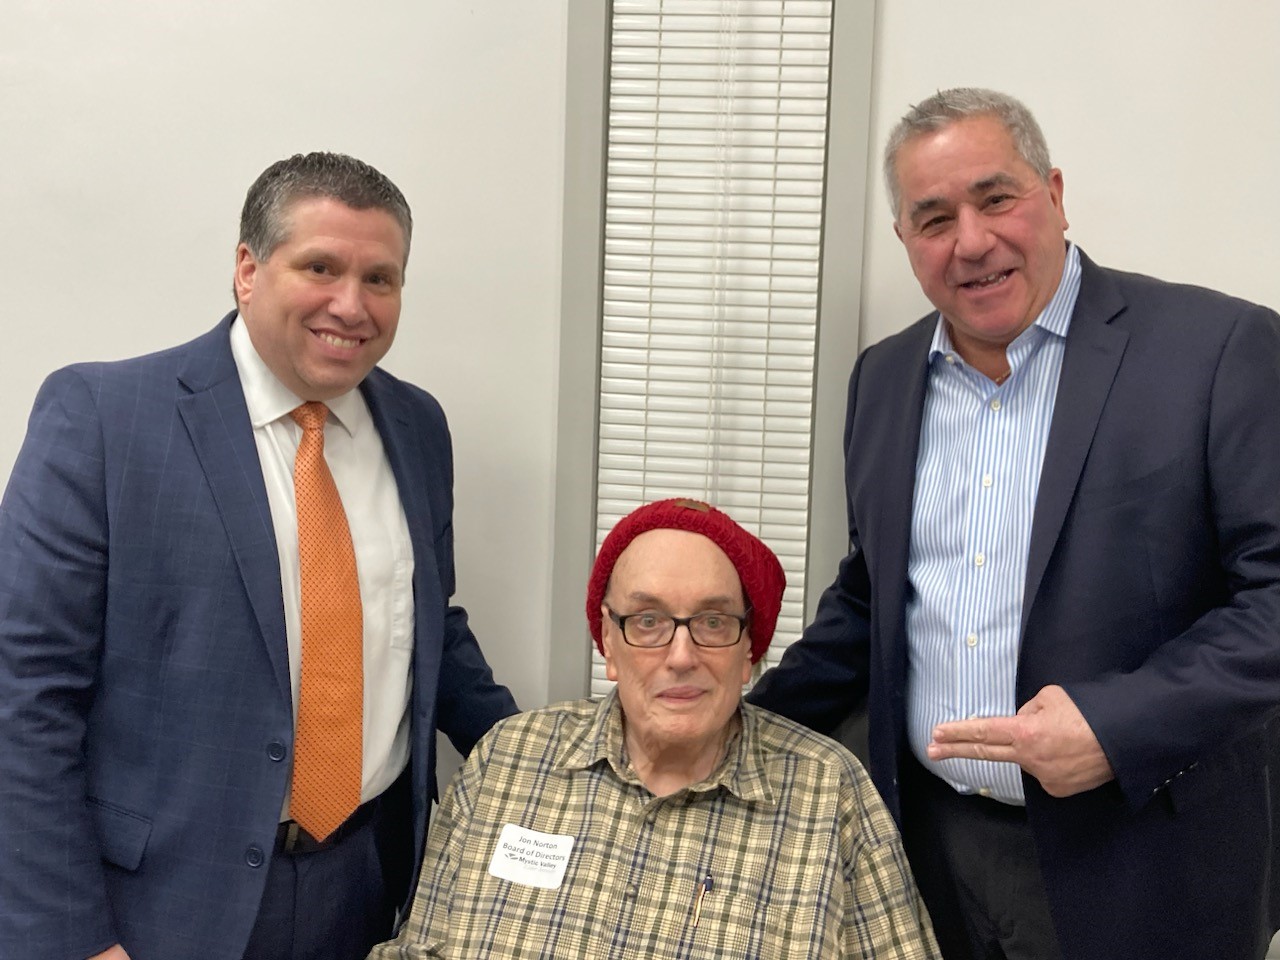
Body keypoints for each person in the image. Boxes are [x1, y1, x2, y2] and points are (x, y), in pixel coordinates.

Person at [747, 88, 1280, 960]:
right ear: (905, 242)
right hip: (927, 854)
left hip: (1144, 859)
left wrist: (1116, 725)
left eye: (996, 198)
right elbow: (872, 603)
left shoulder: (1217, 349)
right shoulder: (881, 381)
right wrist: (731, 726)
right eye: (933, 218)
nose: (971, 241)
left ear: (1056, 194)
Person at [0, 152, 518, 960]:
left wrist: (560, 755)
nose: (352, 304)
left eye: (381, 279)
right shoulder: (104, 420)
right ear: (247, 269)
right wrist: (71, 939)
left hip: (370, 884)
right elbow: (24, 697)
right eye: (321, 266)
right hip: (158, 908)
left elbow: (427, 629)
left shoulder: (417, 428)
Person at [368, 497, 941, 959]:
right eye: (648, 621)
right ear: (608, 644)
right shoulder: (508, 761)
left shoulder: (828, 793)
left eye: (714, 622)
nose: (681, 654)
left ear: (750, 654)